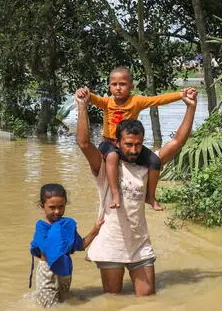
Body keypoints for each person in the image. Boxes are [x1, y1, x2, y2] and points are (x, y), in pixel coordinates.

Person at [75, 86, 197, 296]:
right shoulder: (104, 166)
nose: (133, 150)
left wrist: (190, 109)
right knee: (113, 299)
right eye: (129, 144)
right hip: (111, 242)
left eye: (138, 145)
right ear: (118, 143)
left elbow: (177, 142)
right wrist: (82, 107)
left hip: (139, 243)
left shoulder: (147, 164)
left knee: (148, 297)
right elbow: (84, 143)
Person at [79, 66, 194, 211]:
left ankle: (150, 197)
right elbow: (90, 98)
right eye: (114, 84)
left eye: (122, 84)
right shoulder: (106, 102)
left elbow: (158, 100)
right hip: (108, 144)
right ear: (109, 87)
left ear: (131, 86)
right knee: (112, 156)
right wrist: (84, 93)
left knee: (155, 161)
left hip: (128, 145)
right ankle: (115, 193)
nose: (118, 88)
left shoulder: (136, 101)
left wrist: (181, 95)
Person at [29, 183, 103, 307]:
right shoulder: (41, 227)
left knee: (64, 300)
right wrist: (58, 234)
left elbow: (81, 245)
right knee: (49, 306)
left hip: (65, 269)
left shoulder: (67, 226)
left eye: (61, 207)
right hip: (48, 270)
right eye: (52, 207)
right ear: (42, 206)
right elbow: (45, 247)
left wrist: (95, 230)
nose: (57, 211)